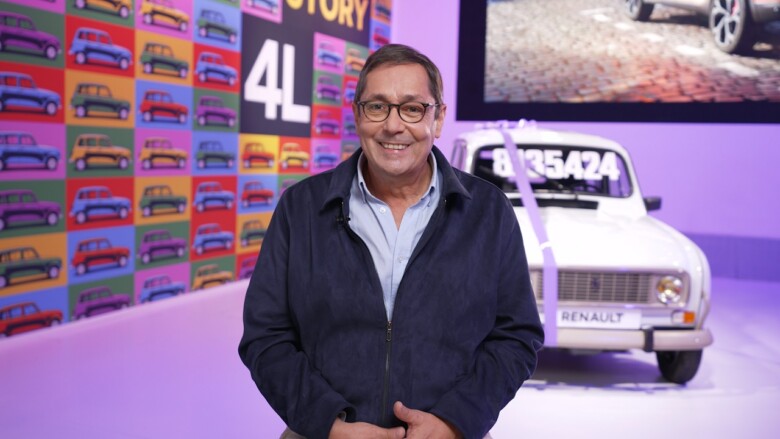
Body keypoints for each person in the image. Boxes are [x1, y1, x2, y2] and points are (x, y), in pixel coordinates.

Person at [238, 43, 544, 439]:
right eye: (377, 106)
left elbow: (516, 336)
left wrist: (454, 422)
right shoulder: (300, 208)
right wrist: (329, 425)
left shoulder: (488, 211)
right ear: (357, 115)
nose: (393, 126)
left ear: (438, 119)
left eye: (412, 108)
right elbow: (266, 336)